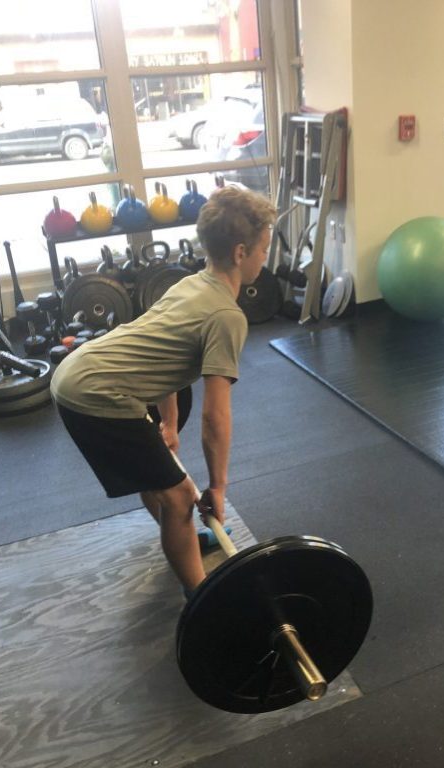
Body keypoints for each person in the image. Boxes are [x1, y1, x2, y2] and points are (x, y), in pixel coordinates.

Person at [51, 185, 276, 599]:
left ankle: (184, 536)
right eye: (264, 248)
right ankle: (200, 597)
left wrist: (169, 424)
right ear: (241, 253)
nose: (266, 257)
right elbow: (215, 417)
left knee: (161, 476)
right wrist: (219, 487)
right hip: (99, 394)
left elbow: (162, 360)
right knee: (178, 496)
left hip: (81, 373)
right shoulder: (228, 316)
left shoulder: (191, 283)